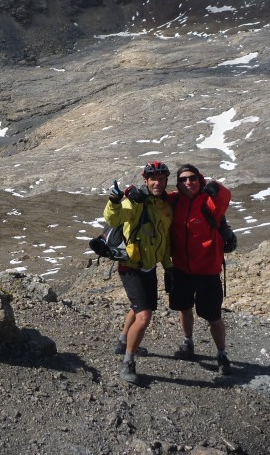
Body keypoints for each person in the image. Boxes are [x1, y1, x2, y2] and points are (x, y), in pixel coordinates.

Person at [104, 160, 173, 385]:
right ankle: (128, 362)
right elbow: (112, 218)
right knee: (144, 316)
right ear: (146, 180)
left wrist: (167, 267)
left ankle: (123, 341)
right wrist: (114, 201)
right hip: (131, 267)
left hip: (150, 266)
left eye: (161, 179)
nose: (157, 183)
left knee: (140, 308)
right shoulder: (135, 202)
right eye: (153, 179)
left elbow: (163, 240)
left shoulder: (164, 205)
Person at [165, 163, 233, 375]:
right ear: (178, 183)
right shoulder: (175, 201)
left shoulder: (209, 202)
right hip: (181, 268)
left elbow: (224, 198)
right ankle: (188, 343)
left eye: (192, 178)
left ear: (200, 179)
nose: (188, 182)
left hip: (207, 270)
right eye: (184, 179)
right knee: (184, 308)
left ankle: (222, 354)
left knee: (213, 316)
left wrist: (216, 187)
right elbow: (155, 198)